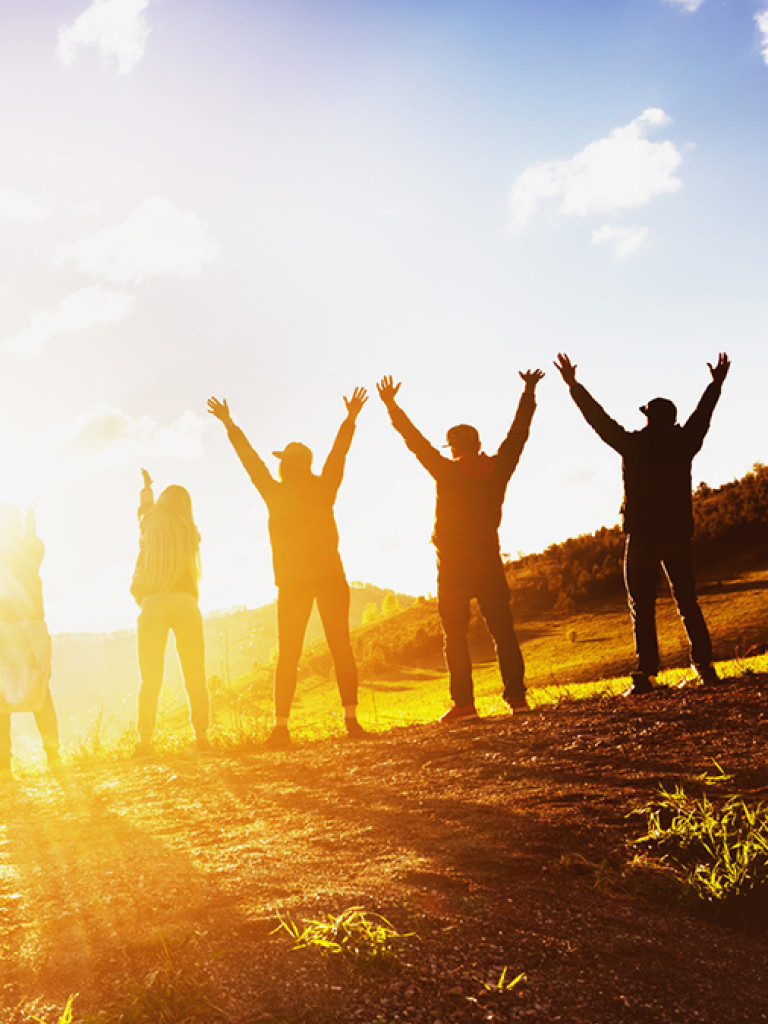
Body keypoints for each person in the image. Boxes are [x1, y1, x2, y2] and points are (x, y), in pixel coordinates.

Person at [554, 352, 730, 694]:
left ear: (649, 419)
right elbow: (703, 415)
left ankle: (647, 674)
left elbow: (598, 420)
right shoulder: (686, 442)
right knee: (687, 600)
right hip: (678, 533)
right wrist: (715, 384)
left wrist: (574, 385)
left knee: (642, 606)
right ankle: (704, 667)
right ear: (673, 421)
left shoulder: (632, 444)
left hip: (642, 537)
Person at [377, 370, 544, 722]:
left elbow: (415, 442)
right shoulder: (498, 468)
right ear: (479, 446)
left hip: (452, 567)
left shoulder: (446, 471)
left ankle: (465, 705)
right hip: (488, 560)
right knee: (503, 631)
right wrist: (528, 391)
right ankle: (517, 700)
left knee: (455, 636)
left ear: (452, 448)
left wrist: (392, 405)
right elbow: (519, 434)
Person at [208, 389, 368, 749]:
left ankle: (281, 728)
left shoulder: (274, 493)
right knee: (340, 645)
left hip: (293, 583)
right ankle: (351, 720)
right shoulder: (325, 487)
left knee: (289, 652)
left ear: (285, 466)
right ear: (307, 465)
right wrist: (350, 419)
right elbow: (338, 455)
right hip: (330, 576)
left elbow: (249, 461)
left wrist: (230, 424)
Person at [130, 470, 210, 756]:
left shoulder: (150, 526)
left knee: (150, 677)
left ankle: (145, 742)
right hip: (185, 603)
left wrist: (147, 492)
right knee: (194, 673)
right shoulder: (191, 532)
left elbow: (145, 513)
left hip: (153, 604)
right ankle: (201, 737)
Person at [0, 503, 60, 776]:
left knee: (2, 698)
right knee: (41, 691)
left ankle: (3, 766)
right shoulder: (29, 551)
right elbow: (35, 547)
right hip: (32, 628)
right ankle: (54, 756)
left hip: (4, 629)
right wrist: (30, 523)